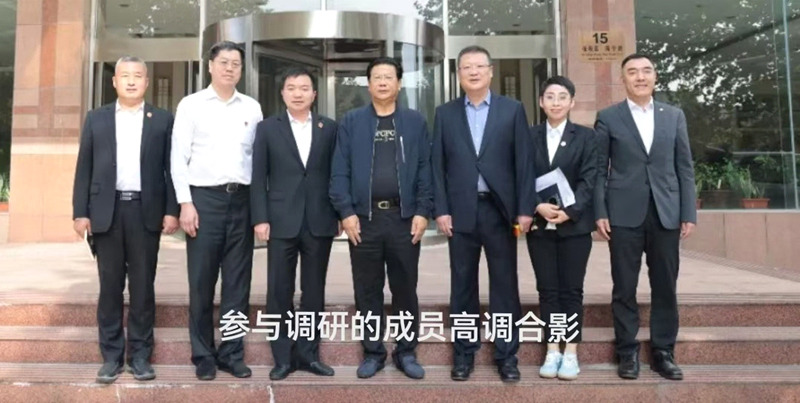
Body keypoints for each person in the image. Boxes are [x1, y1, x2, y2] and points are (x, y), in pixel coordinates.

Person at [72, 56, 179, 384]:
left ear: (146, 82)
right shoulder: (97, 118)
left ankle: (141, 356)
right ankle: (111, 357)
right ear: (114, 81)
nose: (131, 81)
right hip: (107, 212)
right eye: (125, 76)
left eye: (137, 76)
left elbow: (172, 168)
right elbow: (84, 167)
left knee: (143, 286)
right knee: (110, 287)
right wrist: (80, 212)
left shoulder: (162, 119)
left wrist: (171, 209)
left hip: (146, 211)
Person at [431, 45, 535, 383]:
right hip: (460, 210)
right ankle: (464, 353)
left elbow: (524, 162)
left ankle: (507, 355)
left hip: (500, 211)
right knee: (462, 284)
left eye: (479, 66)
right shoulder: (445, 113)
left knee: (504, 284)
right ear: (458, 74)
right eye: (467, 67)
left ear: (490, 71)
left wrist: (524, 209)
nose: (473, 72)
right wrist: (441, 209)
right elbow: (437, 167)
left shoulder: (512, 110)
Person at [594, 53, 696, 381]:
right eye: (633, 72)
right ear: (622, 79)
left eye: (646, 71)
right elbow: (599, 170)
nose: (640, 77)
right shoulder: (608, 117)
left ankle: (663, 352)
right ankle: (627, 351)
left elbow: (684, 167)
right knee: (624, 285)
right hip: (623, 212)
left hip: (666, 212)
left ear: (655, 77)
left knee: (665, 284)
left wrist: (688, 212)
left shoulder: (674, 116)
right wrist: (600, 211)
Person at [330, 57, 432, 380]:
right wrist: (346, 212)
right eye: (377, 77)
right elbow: (339, 170)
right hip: (364, 220)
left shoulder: (414, 122)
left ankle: (406, 352)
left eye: (389, 77)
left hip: (403, 219)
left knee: (405, 289)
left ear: (399, 84)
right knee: (367, 290)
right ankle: (373, 352)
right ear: (369, 84)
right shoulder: (352, 121)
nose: (383, 82)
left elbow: (425, 169)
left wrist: (422, 211)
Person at [171, 41, 263, 380]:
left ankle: (232, 353)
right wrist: (185, 203)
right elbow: (178, 158)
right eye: (223, 62)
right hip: (203, 201)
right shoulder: (191, 105)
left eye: (235, 64)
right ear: (210, 66)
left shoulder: (252, 107)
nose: (229, 68)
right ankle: (203, 355)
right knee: (202, 281)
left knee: (238, 283)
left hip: (242, 201)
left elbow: (257, 160)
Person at [251, 67, 339, 380]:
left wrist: (339, 214)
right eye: (291, 88)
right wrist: (260, 218)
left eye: (304, 88)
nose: (297, 93)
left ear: (314, 94)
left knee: (314, 290)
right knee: (279, 290)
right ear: (283, 93)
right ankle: (282, 357)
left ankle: (309, 355)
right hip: (280, 221)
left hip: (319, 219)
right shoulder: (267, 128)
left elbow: (337, 174)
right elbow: (257, 176)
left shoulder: (329, 128)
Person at [526, 76, 597, 381]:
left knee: (571, 290)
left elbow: (590, 178)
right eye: (550, 97)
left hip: (575, 228)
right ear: (541, 102)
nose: (556, 102)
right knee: (547, 290)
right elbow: (520, 176)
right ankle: (552, 349)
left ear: (572, 102)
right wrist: (536, 205)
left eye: (562, 97)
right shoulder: (528, 136)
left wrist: (570, 211)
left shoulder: (587, 137)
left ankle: (571, 352)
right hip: (540, 226)